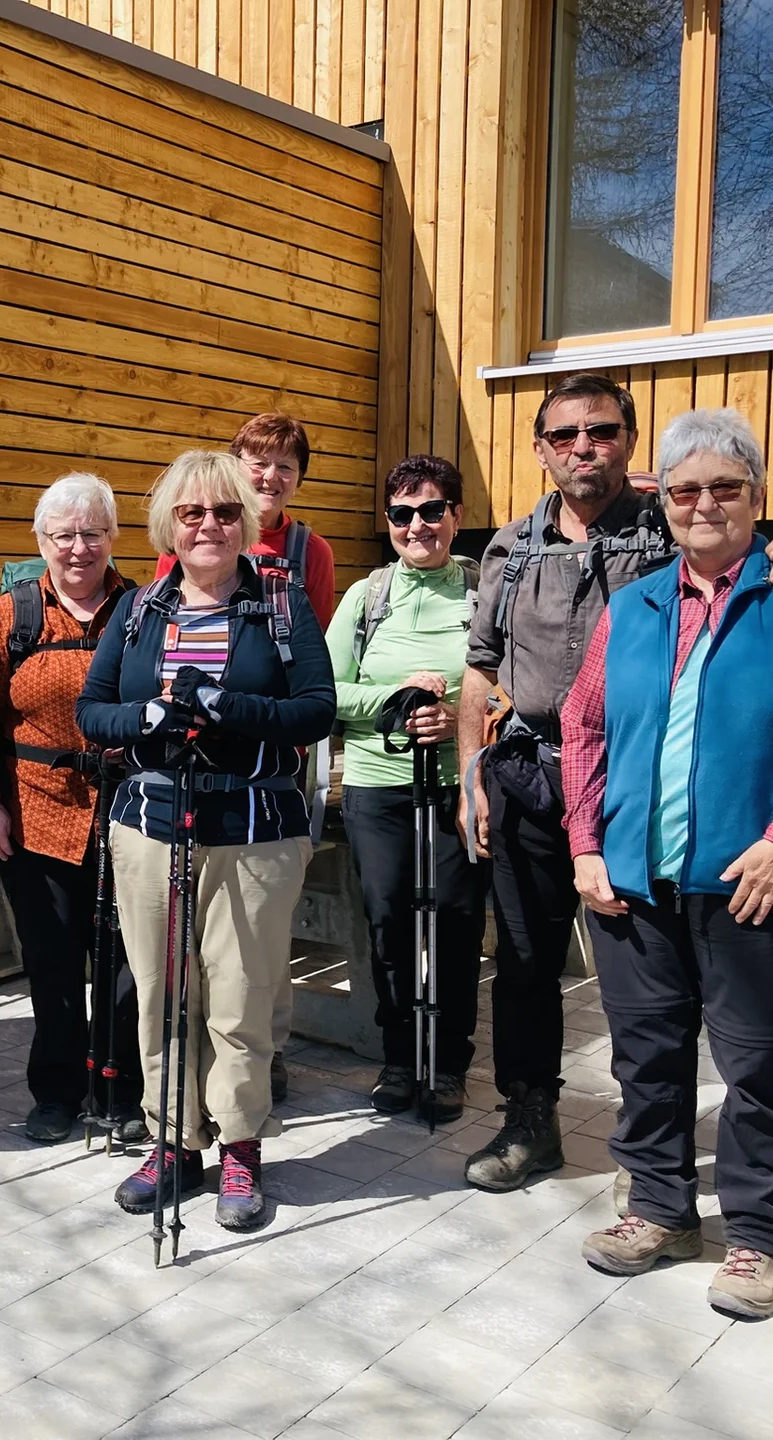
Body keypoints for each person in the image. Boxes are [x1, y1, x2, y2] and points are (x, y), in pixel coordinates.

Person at [456, 373, 773, 1194]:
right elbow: (481, 668)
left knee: (649, 982)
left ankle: (656, 1153)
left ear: (628, 440)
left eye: (601, 431)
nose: (583, 448)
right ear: (540, 449)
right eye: (564, 435)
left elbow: (740, 549)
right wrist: (468, 775)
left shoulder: (673, 521)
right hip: (527, 773)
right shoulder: (510, 549)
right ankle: (530, 1119)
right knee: (525, 963)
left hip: (637, 786)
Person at [561, 409, 773, 1320]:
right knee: (646, 1060)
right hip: (634, 886)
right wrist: (585, 843)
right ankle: (660, 1210)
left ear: (757, 496)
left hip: (758, 887)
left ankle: (758, 1236)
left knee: (760, 1069)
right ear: (662, 500)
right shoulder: (634, 607)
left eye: (724, 487)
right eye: (685, 490)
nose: (703, 504)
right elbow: (584, 729)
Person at [80, 450, 335, 1231]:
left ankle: (239, 1144)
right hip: (151, 827)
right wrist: (150, 717)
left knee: (241, 996)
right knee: (161, 993)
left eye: (225, 512)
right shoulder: (139, 609)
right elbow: (93, 711)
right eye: (192, 513)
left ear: (245, 520)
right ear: (170, 523)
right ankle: (171, 1140)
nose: (209, 526)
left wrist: (225, 706)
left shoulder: (279, 604)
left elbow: (316, 709)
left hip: (253, 830)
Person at [153, 412, 337, 1104]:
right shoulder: (192, 534)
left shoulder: (309, 551)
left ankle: (267, 1049)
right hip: (190, 761)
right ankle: (198, 1059)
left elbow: (308, 659)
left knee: (260, 924)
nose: (271, 476)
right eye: (258, 462)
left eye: (286, 466)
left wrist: (248, 711)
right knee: (195, 925)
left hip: (272, 761)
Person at [0, 473, 144, 1144]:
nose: (78, 548)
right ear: (41, 542)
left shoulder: (142, 609)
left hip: (127, 812)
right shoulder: (13, 616)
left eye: (92, 533)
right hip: (35, 814)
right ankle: (56, 1091)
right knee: (52, 961)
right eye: (63, 535)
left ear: (113, 537)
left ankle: (120, 1088)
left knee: (126, 964)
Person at [325, 455, 488, 1123]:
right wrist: (396, 699)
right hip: (377, 787)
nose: (416, 524)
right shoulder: (365, 598)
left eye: (431, 510)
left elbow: (510, 687)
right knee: (389, 921)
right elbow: (325, 691)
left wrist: (460, 716)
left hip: (457, 786)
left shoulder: (483, 592)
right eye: (401, 513)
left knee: (454, 924)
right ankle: (398, 1057)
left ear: (456, 516)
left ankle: (447, 1064)